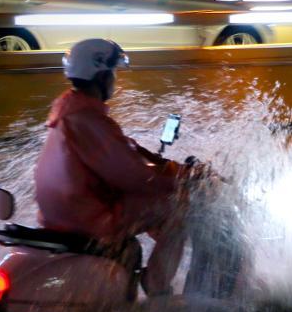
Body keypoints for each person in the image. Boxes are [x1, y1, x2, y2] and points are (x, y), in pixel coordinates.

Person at [33, 38, 188, 298]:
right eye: (113, 73)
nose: (115, 79)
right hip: (90, 219)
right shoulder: (86, 120)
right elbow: (133, 176)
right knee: (177, 209)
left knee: (153, 208)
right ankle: (158, 287)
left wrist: (166, 169)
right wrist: (181, 183)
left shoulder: (70, 115)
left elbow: (123, 153)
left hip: (69, 214)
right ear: (101, 75)